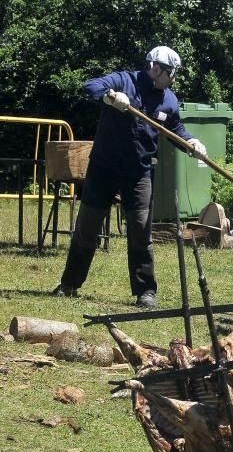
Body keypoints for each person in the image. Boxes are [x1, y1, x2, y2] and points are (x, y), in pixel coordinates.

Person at [51, 46, 207, 309]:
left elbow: (174, 127)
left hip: (139, 173)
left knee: (141, 232)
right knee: (87, 229)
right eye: (171, 73)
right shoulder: (124, 80)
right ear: (155, 68)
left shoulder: (168, 99)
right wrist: (110, 96)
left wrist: (191, 141)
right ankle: (69, 284)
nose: (174, 78)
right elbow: (91, 86)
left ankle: (145, 292)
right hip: (104, 168)